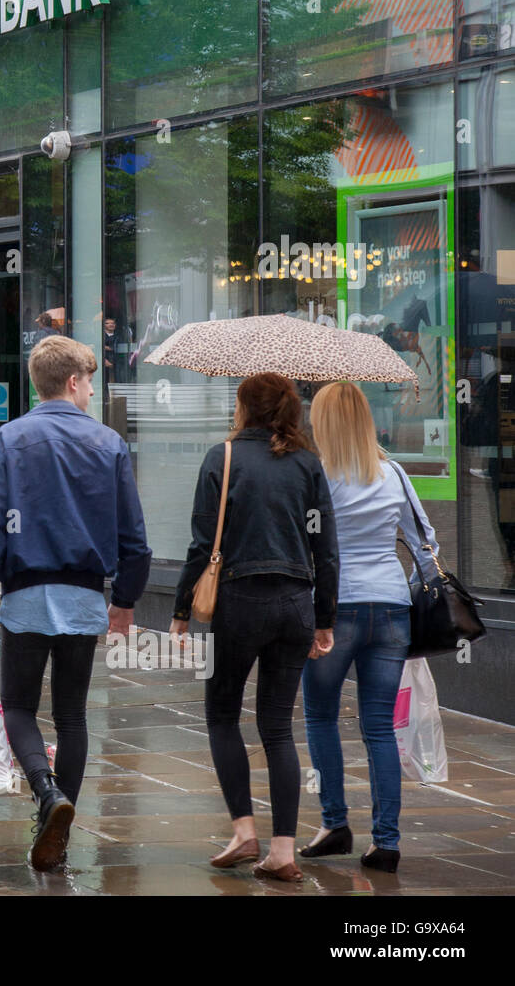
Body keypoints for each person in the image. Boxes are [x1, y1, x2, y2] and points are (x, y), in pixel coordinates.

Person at [0, 336, 151, 872]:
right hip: (86, 593)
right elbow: (133, 535)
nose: (92, 391)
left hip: (24, 593)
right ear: (73, 382)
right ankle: (58, 830)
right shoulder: (109, 443)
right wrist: (127, 599)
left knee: (18, 706)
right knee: (71, 714)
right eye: (90, 382)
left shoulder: (8, 440)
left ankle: (47, 797)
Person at [171, 372, 339, 883]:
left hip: (238, 603)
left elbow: (202, 544)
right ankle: (284, 850)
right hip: (294, 604)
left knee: (223, 715)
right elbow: (325, 548)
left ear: (243, 407)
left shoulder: (221, 459)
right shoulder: (308, 464)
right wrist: (324, 618)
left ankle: (245, 831)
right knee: (277, 727)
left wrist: (181, 610)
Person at [301, 381, 437, 874]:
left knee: (320, 716)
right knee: (379, 726)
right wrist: (402, 585)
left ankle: (334, 823)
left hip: (334, 612)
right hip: (392, 609)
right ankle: (387, 841)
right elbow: (425, 544)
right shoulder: (394, 472)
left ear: (324, 423)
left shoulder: (317, 476)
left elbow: (306, 540)